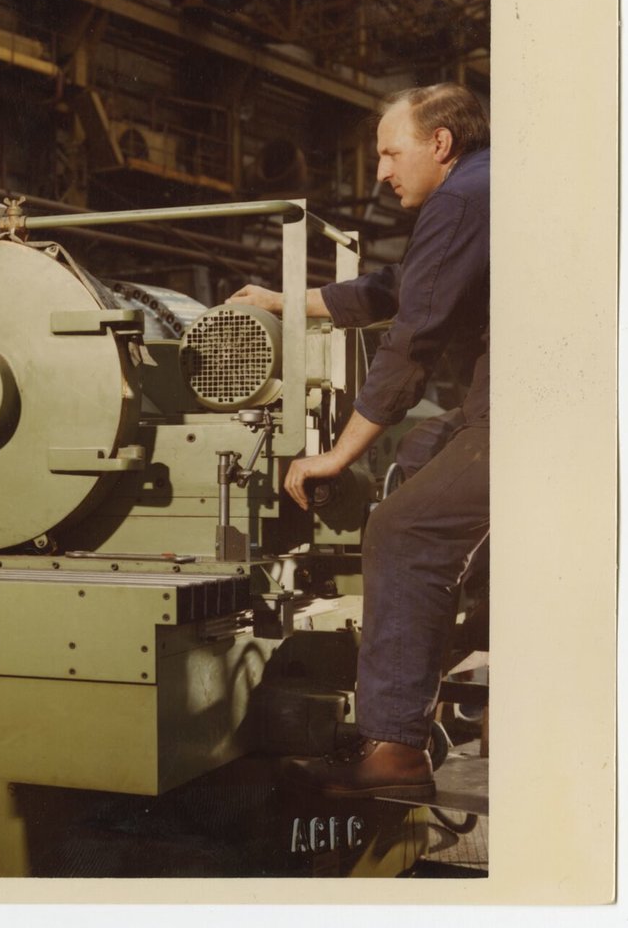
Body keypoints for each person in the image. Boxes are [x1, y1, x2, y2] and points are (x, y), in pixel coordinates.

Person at [228, 83, 489, 799]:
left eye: (389, 152)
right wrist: (286, 302)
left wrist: (337, 454)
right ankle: (427, 663)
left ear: (440, 143)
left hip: (524, 411)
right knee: (414, 460)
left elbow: (411, 344)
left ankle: (397, 752)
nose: (380, 170)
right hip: (496, 401)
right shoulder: (477, 191)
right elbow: (396, 289)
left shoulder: (462, 200)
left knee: (401, 529)